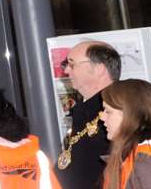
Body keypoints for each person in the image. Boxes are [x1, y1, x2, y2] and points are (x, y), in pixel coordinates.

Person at [55, 40, 120, 189]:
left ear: (99, 68)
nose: (66, 71)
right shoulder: (84, 110)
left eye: (72, 64)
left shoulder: (123, 109)